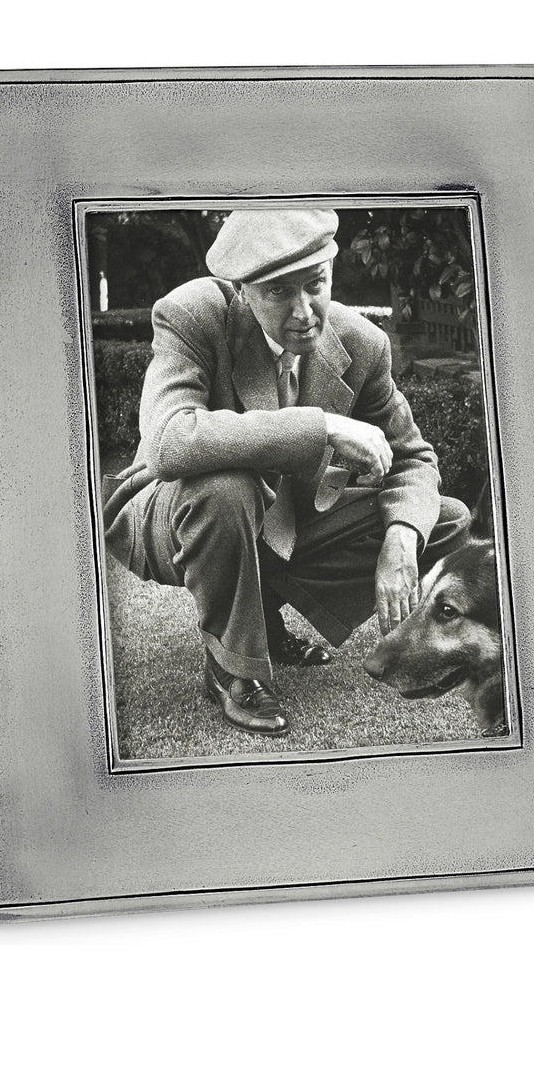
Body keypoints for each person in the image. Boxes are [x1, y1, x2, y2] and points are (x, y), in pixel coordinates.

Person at [102, 209, 470, 736]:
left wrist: (400, 541)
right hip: (174, 510)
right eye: (278, 293)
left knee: (446, 519)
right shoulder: (193, 314)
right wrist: (319, 427)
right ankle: (234, 667)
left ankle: (263, 617)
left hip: (287, 522)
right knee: (226, 489)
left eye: (315, 285)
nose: (304, 312)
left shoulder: (361, 344)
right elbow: (169, 442)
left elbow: (414, 459)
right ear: (243, 290)